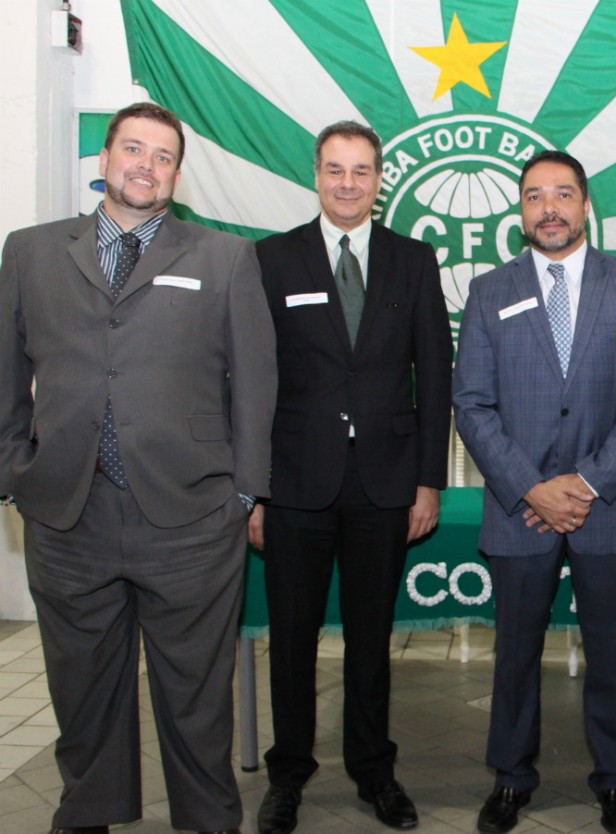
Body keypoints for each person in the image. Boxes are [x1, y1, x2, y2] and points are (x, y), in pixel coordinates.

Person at [0, 102, 277, 834]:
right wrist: (14, 473)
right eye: (132, 149)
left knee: (196, 697)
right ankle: (88, 812)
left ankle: (208, 819)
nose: (145, 166)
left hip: (191, 519)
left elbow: (257, 383)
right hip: (67, 514)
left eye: (162, 156)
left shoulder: (224, 257)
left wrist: (244, 493)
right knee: (82, 688)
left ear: (177, 175)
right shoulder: (29, 252)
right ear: (104, 159)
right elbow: (5, 374)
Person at [452, 150, 616, 834]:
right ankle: (511, 778)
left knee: (609, 653)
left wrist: (586, 483)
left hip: (606, 504)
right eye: (534, 196)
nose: (549, 208)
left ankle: (615, 781)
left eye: (563, 194)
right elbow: (472, 404)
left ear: (585, 205)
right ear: (520, 211)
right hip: (521, 509)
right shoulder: (488, 291)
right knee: (515, 653)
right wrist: (532, 488)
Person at [250, 120, 453, 834]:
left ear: (379, 180)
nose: (347, 184)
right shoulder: (272, 259)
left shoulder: (412, 259)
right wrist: (253, 489)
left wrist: (429, 481)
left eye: (361, 171)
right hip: (293, 484)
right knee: (292, 641)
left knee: (372, 641)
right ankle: (288, 776)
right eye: (335, 170)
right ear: (315, 175)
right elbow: (252, 378)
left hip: (385, 484)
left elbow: (435, 372)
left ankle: (375, 772)